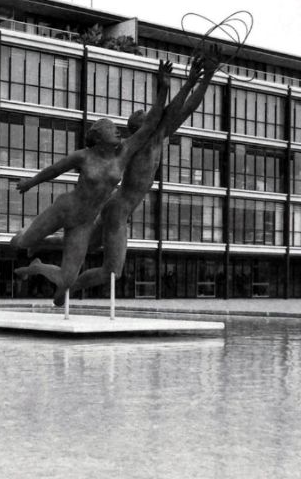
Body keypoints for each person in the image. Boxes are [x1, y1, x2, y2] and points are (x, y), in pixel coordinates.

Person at [66, 50, 219, 305]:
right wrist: (192, 80)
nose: (142, 110)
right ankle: (68, 288)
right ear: (139, 126)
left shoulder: (157, 138)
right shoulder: (142, 142)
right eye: (140, 114)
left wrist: (203, 78)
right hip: (118, 210)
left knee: (87, 246)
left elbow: (187, 107)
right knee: (111, 272)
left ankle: (42, 247)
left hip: (116, 206)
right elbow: (169, 110)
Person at [12, 61, 171, 304]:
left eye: (117, 129)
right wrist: (30, 183)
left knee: (66, 281)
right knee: (22, 242)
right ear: (97, 136)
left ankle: (38, 267)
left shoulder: (124, 153)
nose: (118, 131)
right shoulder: (83, 156)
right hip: (65, 209)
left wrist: (163, 88)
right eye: (111, 129)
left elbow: (150, 124)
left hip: (84, 222)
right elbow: (54, 170)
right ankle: (25, 234)